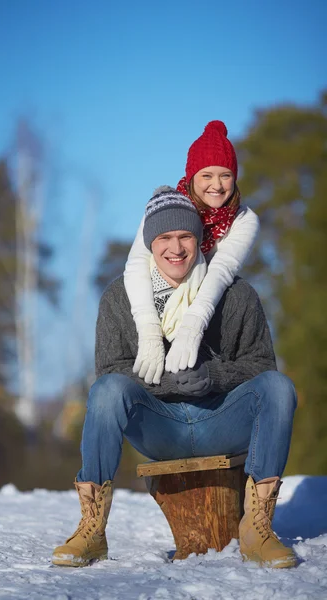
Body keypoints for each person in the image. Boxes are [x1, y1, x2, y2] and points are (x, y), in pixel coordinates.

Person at [52, 188, 297, 569]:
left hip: (221, 419)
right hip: (159, 428)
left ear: (199, 239)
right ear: (150, 244)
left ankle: (258, 528)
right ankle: (92, 529)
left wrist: (212, 376)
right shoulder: (119, 297)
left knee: (279, 389)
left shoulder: (237, 295)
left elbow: (262, 364)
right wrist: (169, 382)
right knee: (106, 391)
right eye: (164, 238)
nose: (176, 248)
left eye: (185, 236)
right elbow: (111, 369)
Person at [124, 120, 260, 385]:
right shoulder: (167, 205)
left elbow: (221, 270)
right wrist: (149, 330)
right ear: (192, 176)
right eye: (206, 176)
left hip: (206, 302)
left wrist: (192, 326)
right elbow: (138, 260)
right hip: (161, 293)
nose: (217, 186)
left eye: (225, 175)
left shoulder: (244, 219)